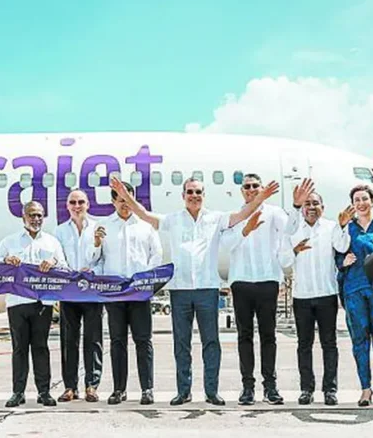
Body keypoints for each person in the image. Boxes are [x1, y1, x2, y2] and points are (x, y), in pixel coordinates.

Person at [110, 174, 279, 406]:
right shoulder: (173, 220)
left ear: (203, 195)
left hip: (207, 289)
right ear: (183, 196)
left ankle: (211, 391)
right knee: (182, 344)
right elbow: (144, 215)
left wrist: (259, 197)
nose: (194, 196)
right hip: (180, 290)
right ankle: (184, 391)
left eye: (198, 192)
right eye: (190, 192)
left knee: (211, 343)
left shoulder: (215, 219)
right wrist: (127, 196)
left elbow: (242, 214)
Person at [220, 173, 292, 406]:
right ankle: (247, 386)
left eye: (255, 186)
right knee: (244, 336)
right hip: (241, 282)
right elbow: (226, 245)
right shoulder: (235, 217)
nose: (251, 190)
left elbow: (290, 231)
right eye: (247, 187)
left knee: (269, 336)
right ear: (242, 191)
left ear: (262, 188)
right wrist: (245, 228)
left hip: (267, 281)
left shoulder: (274, 213)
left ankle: (270, 386)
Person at [89, 181, 163, 405]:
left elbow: (156, 255)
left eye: (129, 200)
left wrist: (145, 281)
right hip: (116, 295)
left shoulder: (145, 226)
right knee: (117, 341)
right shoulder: (103, 227)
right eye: (121, 200)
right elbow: (96, 261)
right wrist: (96, 243)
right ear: (113, 201)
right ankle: (119, 389)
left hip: (139, 294)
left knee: (143, 341)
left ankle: (147, 388)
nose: (125, 204)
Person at [285, 179, 352, 406]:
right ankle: (306, 389)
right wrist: (294, 250)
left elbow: (342, 247)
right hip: (301, 296)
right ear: (302, 207)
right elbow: (283, 259)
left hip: (326, 295)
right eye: (308, 203)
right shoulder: (293, 230)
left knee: (329, 344)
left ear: (323, 207)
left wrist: (343, 227)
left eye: (316, 203)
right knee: (304, 345)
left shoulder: (332, 227)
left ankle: (330, 389)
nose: (311, 207)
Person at [0, 201, 65, 408]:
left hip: (42, 302)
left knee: (41, 348)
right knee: (19, 349)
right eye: (32, 215)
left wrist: (53, 263)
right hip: (17, 302)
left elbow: (65, 267)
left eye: (40, 215)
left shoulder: (52, 243)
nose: (36, 219)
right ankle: (18, 392)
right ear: (23, 216)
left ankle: (44, 392)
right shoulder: (9, 242)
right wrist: (6, 260)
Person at [338, 185, 373, 407]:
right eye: (356, 200)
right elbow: (336, 253)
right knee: (359, 341)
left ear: (372, 201)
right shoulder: (346, 228)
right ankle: (365, 389)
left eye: (364, 198)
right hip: (354, 290)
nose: (360, 203)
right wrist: (342, 263)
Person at [54, 189, 103, 403]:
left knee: (93, 340)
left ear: (88, 205)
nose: (77, 205)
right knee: (69, 340)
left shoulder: (98, 228)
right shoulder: (59, 232)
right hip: (69, 291)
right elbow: (57, 258)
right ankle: (70, 386)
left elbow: (102, 260)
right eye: (73, 202)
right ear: (67, 206)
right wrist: (69, 273)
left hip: (92, 291)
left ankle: (91, 385)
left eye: (81, 202)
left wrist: (93, 269)